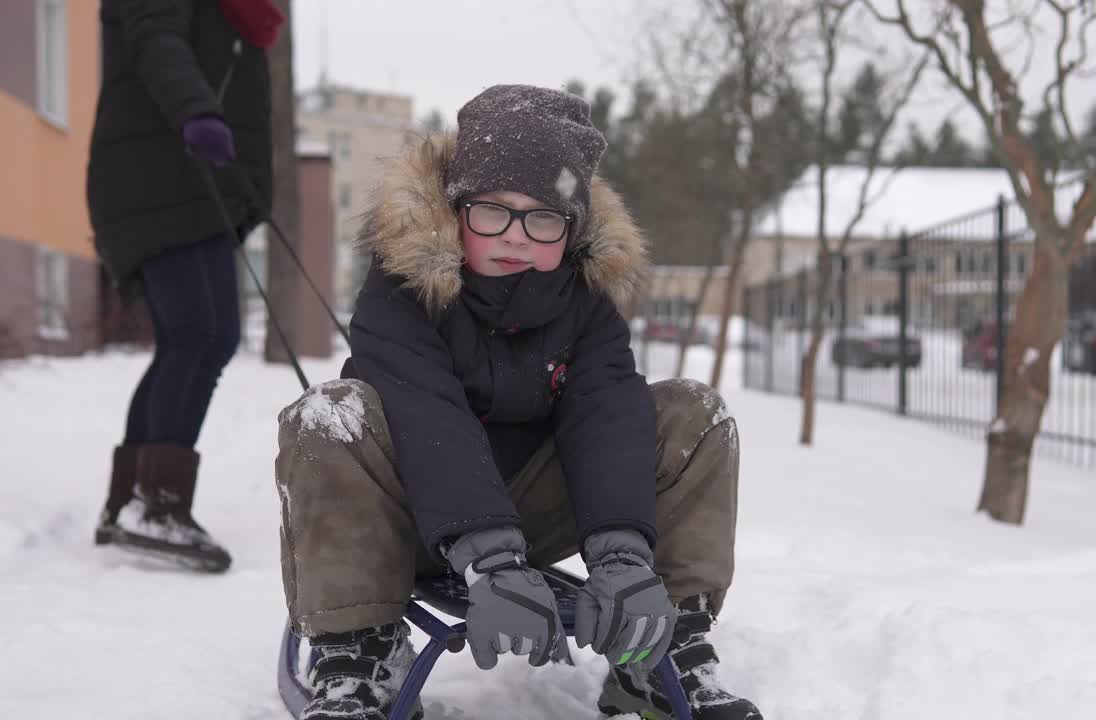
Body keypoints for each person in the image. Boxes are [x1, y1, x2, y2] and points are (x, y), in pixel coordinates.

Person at [274, 85, 763, 720]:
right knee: (329, 414)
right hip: (411, 515)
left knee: (693, 413)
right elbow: (426, 412)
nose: (515, 236)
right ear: (455, 210)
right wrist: (488, 555)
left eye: (542, 217)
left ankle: (664, 646)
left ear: (572, 228)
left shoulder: (588, 303)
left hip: (538, 509)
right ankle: (359, 652)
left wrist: (621, 553)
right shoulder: (400, 287)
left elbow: (606, 416)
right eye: (492, 211)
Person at [88, 0, 282, 573]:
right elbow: (155, 37)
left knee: (191, 338)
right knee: (201, 333)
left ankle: (129, 503)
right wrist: (198, 111)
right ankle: (155, 507)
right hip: (161, 181)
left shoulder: (244, 15)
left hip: (196, 186)